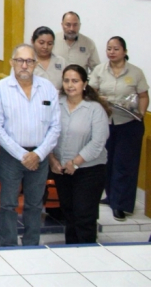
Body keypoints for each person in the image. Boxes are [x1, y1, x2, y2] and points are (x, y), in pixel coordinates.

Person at [0, 44, 61, 247]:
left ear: (36, 64)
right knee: (8, 204)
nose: (24, 65)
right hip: (11, 156)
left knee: (34, 204)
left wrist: (38, 154)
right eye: (20, 60)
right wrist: (23, 155)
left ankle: (32, 243)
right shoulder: (0, 88)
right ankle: (8, 244)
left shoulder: (47, 88)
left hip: (39, 157)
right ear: (12, 62)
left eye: (29, 61)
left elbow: (55, 126)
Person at [89, 36, 148, 221]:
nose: (111, 52)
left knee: (124, 164)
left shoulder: (136, 73)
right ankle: (111, 196)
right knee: (106, 162)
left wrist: (141, 112)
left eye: (116, 49)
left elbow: (144, 95)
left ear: (125, 51)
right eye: (109, 49)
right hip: (105, 122)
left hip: (128, 123)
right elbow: (91, 93)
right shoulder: (99, 70)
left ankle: (121, 205)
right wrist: (100, 99)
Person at [50, 64, 110, 243]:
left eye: (75, 81)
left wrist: (75, 162)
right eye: (67, 80)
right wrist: (52, 159)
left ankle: (87, 254)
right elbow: (47, 134)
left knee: (84, 215)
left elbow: (98, 142)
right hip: (62, 170)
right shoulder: (56, 105)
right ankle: (72, 253)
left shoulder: (94, 109)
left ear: (84, 84)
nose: (70, 85)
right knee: (69, 214)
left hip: (89, 170)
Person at [28, 26, 67, 90]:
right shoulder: (25, 62)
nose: (45, 47)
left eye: (49, 43)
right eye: (41, 43)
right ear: (33, 41)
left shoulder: (61, 62)